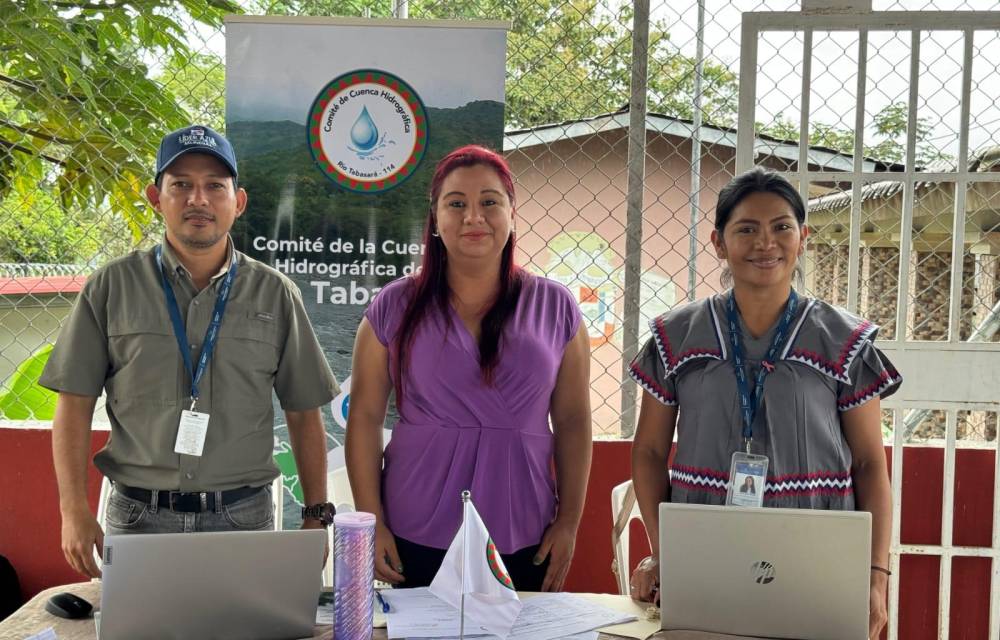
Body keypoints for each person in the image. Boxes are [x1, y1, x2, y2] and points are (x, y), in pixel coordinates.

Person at [41, 125, 339, 579]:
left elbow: (303, 411)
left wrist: (316, 512)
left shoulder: (275, 294)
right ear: (155, 197)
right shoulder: (111, 287)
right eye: (181, 185)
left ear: (237, 202)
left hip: (243, 519)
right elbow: (74, 404)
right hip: (139, 519)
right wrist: (73, 510)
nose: (198, 199)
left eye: (214, 187)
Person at [627, 168, 900, 640]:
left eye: (781, 227)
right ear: (718, 241)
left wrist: (876, 576)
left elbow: (870, 462)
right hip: (707, 549)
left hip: (818, 552)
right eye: (746, 229)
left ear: (803, 237)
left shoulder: (843, 339)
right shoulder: (676, 336)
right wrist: (665, 551)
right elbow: (649, 452)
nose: (765, 243)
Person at [345, 144, 592, 592]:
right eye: (456, 203)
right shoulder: (393, 306)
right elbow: (363, 417)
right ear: (435, 220)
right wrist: (371, 521)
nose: (473, 216)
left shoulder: (556, 306)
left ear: (512, 214)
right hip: (415, 521)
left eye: (489, 202)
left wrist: (569, 521)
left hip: (523, 522)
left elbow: (573, 420)